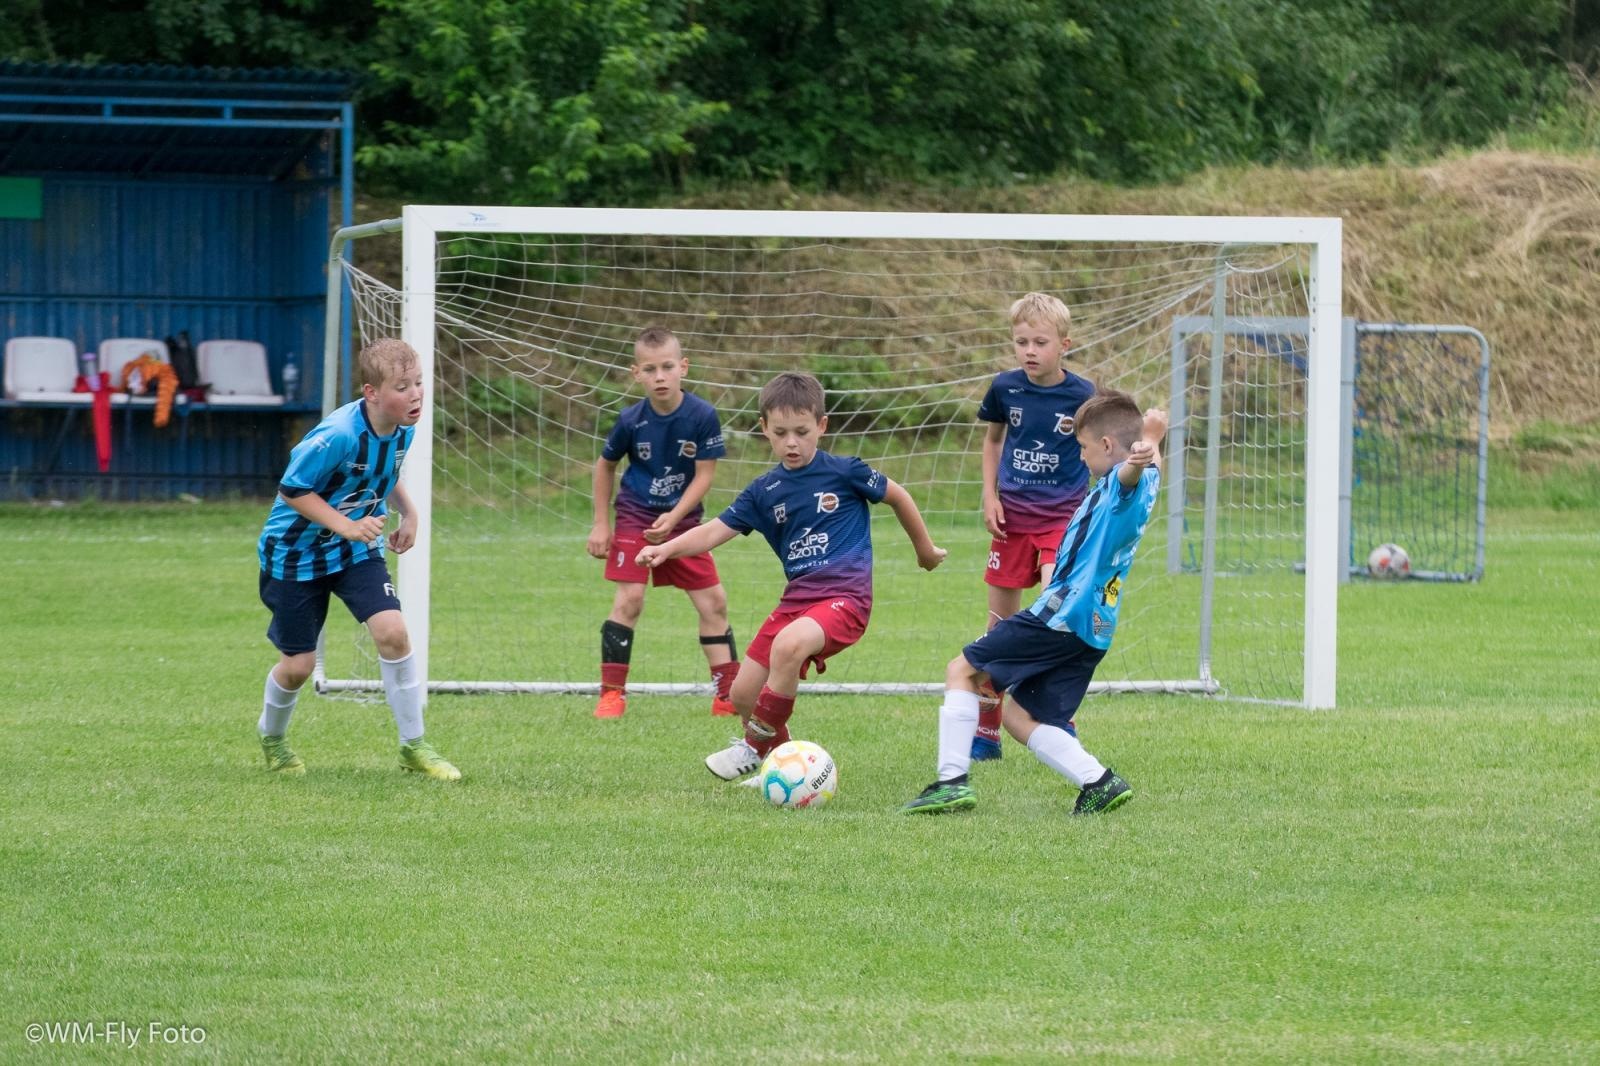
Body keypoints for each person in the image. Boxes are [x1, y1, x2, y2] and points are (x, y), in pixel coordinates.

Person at [637, 370, 947, 780]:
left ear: (821, 426)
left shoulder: (845, 472)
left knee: (788, 645)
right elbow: (713, 531)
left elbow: (899, 496)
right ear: (764, 429)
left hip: (846, 600)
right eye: (780, 432)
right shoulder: (763, 491)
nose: (791, 442)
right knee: (742, 694)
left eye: (801, 432)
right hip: (796, 602)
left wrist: (925, 551)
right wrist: (667, 547)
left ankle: (752, 746)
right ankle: (788, 769)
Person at [902, 391, 1167, 815]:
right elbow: (1148, 469)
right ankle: (1099, 781)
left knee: (962, 671)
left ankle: (950, 781)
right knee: (1020, 716)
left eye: (1082, 449)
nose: (1080, 459)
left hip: (1060, 614)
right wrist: (1152, 444)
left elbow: (1129, 474)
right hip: (1093, 628)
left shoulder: (1122, 483)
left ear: (1106, 447)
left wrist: (1146, 442)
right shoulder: (1149, 480)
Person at [254, 338, 460, 780]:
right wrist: (345, 525)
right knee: (298, 667)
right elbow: (292, 490)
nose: (417, 394)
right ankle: (272, 738)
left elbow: (385, 471)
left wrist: (409, 511)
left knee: (393, 633)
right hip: (295, 554)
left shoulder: (405, 422)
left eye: (420, 383)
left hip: (354, 549)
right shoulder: (337, 434)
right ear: (371, 393)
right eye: (403, 387)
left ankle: (414, 746)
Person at [587, 326, 739, 719]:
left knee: (714, 602)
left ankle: (727, 695)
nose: (660, 376)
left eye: (667, 367)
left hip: (686, 522)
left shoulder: (703, 415)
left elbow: (705, 474)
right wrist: (602, 524)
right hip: (636, 516)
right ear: (636, 373)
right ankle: (611, 695)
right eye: (650, 369)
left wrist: (674, 517)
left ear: (682, 368)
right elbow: (605, 467)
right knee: (630, 600)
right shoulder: (630, 420)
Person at [971, 292, 1096, 761]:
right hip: (1013, 524)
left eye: (1039, 342)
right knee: (998, 626)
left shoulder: (1083, 395)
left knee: (1052, 618)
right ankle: (986, 731)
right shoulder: (1005, 388)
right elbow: (993, 440)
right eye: (1021, 341)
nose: (1029, 351)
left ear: (1064, 344)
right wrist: (990, 495)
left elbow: (1100, 448)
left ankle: (1058, 717)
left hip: (1060, 523)